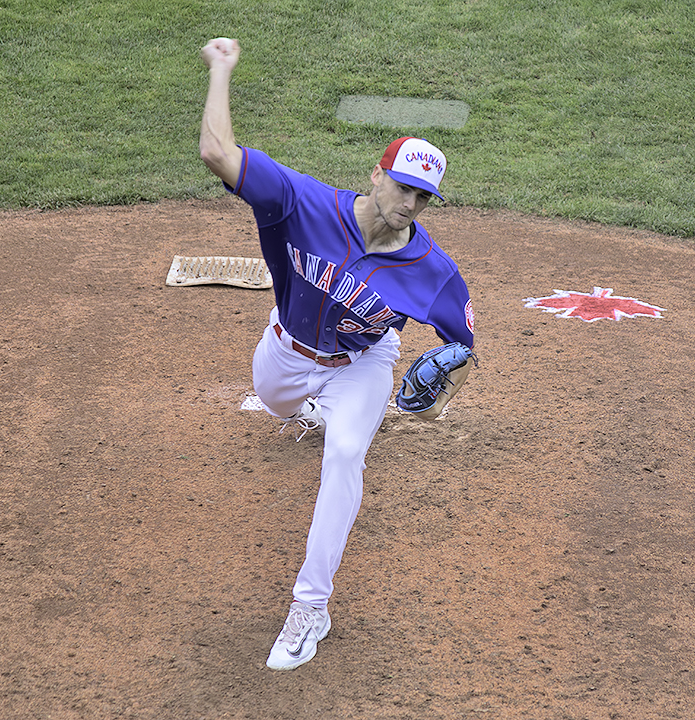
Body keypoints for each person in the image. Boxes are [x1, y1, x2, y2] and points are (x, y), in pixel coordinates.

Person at [199, 37, 476, 671]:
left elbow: (463, 346)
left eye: (422, 197)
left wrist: (436, 396)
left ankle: (310, 607)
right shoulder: (301, 203)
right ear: (376, 174)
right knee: (272, 400)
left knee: (347, 453)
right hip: (286, 351)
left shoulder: (431, 271)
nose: (408, 204)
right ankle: (310, 408)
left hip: (365, 362)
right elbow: (217, 151)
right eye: (402, 186)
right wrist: (222, 69)